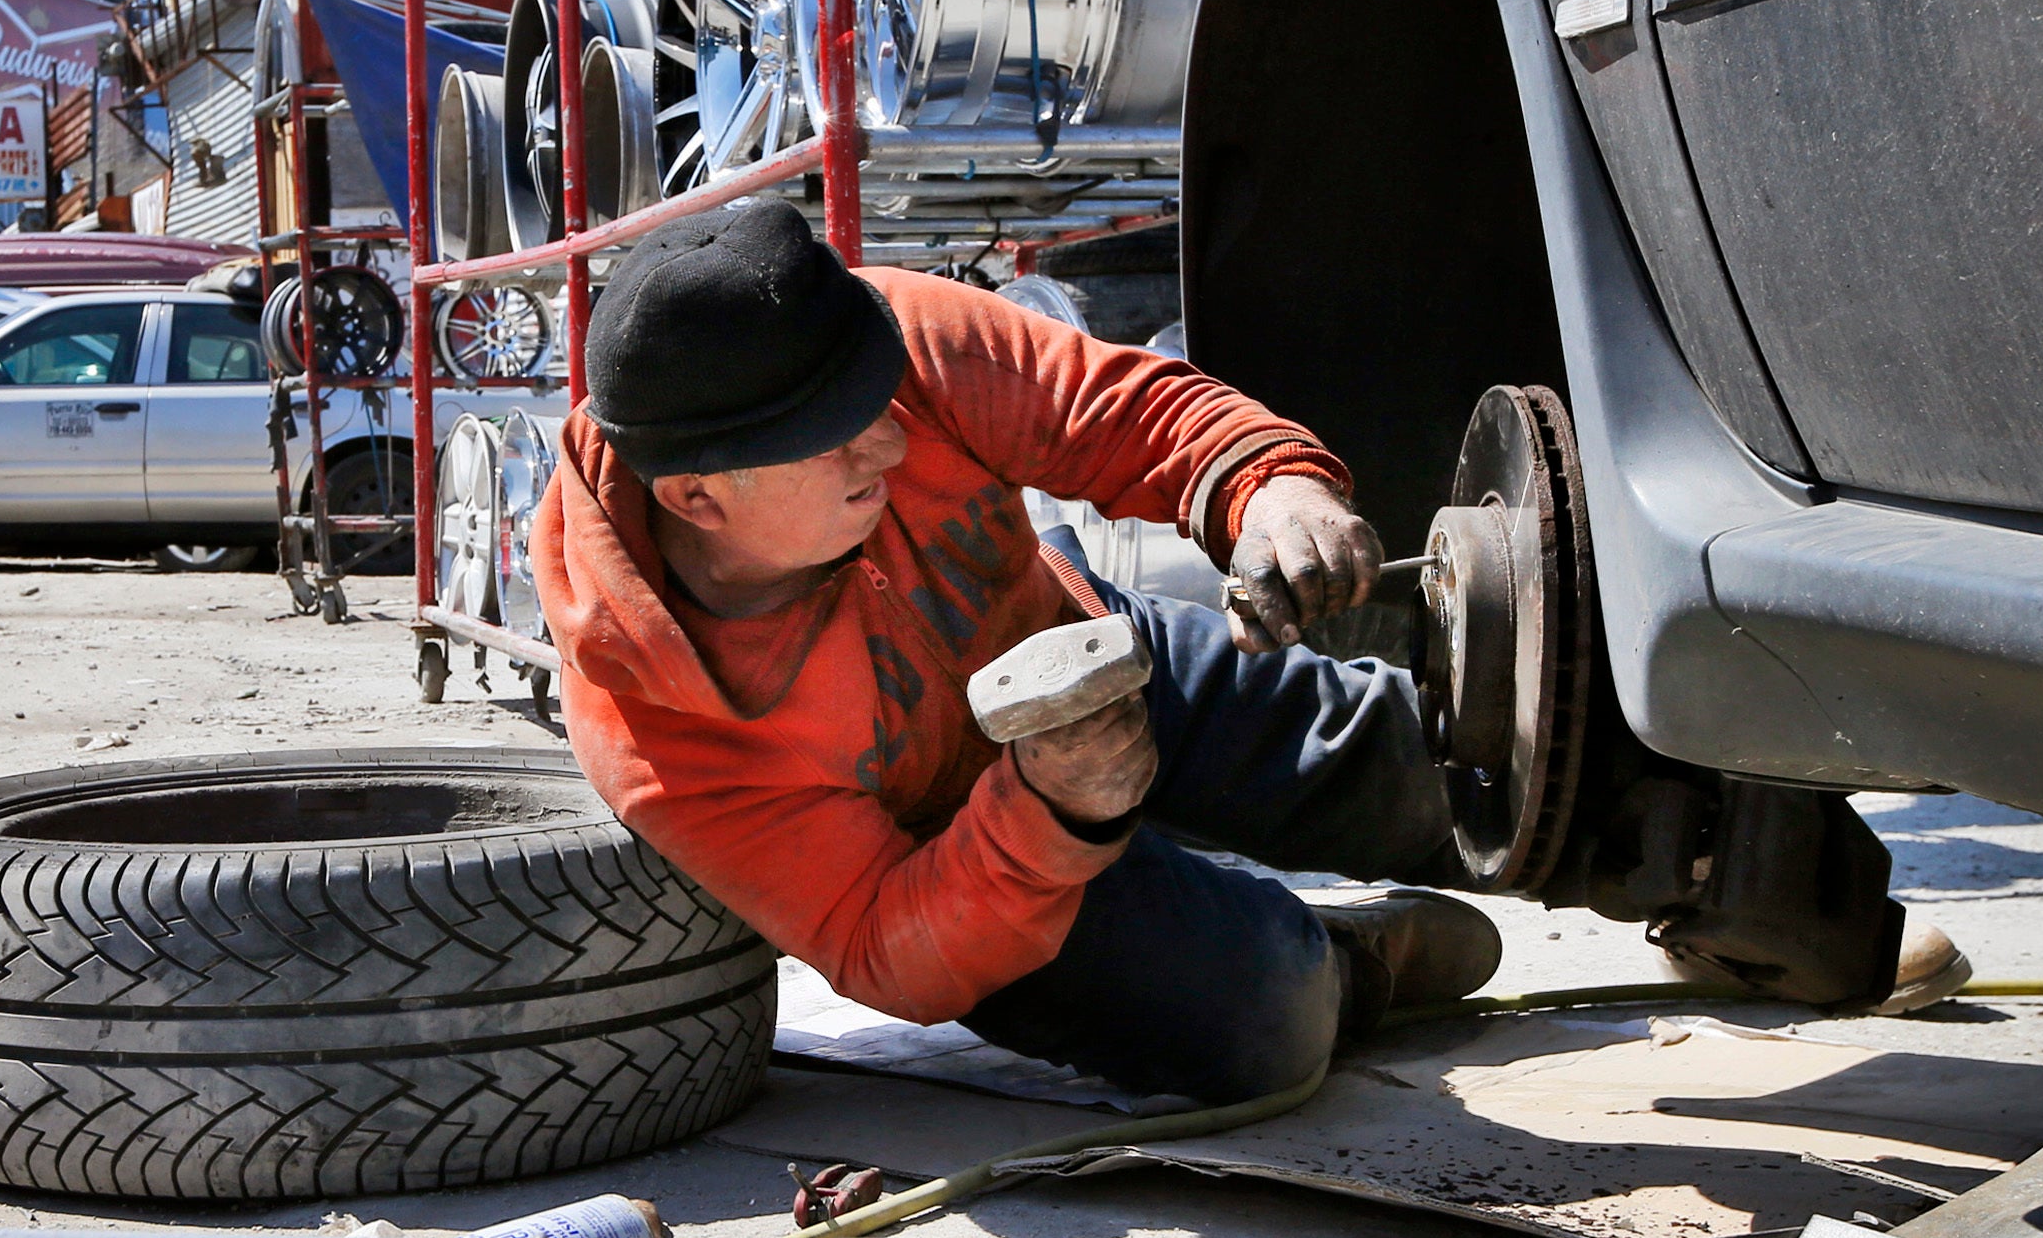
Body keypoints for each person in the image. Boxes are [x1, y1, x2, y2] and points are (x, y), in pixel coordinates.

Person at [531, 200, 1953, 1109]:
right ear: (697, 499)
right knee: (1262, 1016)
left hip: (1084, 651)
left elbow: (1116, 413)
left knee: (1438, 753)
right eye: (844, 449)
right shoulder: (667, 734)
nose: (891, 447)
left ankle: (1789, 912)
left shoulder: (867, 344)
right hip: (983, 870)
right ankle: (1344, 963)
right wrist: (1053, 812)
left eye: (883, 412)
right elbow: (880, 941)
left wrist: (1264, 488)